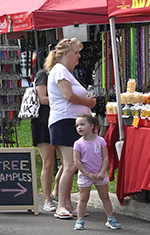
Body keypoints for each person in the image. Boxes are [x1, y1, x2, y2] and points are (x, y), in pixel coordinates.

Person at [46, 38, 96, 220]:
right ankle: (61, 205)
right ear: (65, 54)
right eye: (76, 53)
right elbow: (68, 95)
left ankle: (66, 203)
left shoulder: (64, 71)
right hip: (65, 122)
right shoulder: (60, 70)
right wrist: (88, 102)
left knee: (70, 165)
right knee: (70, 165)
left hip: (67, 121)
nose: (79, 57)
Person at [72, 114, 120, 230]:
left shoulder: (100, 141)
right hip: (85, 175)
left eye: (82, 124)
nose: (79, 127)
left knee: (105, 196)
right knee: (83, 198)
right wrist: (87, 173)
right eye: (77, 125)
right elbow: (77, 161)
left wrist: (102, 172)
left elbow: (105, 158)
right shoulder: (78, 143)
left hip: (100, 174)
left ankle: (110, 218)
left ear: (92, 126)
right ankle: (80, 219)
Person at [32, 53, 62, 213]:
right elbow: (42, 98)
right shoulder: (43, 74)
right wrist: (64, 97)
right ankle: (47, 199)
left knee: (69, 161)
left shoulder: (65, 74)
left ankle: (57, 191)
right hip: (43, 121)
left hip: (58, 120)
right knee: (49, 162)